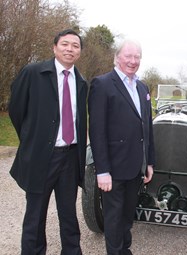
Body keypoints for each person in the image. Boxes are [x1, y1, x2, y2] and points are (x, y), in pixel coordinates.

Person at [8, 29, 87, 254]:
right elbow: (16, 110)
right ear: (54, 48)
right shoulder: (33, 73)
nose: (69, 49)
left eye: (75, 45)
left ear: (79, 52)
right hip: (42, 156)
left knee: (69, 215)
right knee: (35, 215)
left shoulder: (81, 82)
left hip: (70, 157)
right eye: (65, 44)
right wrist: (33, 138)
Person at [88, 39, 155, 255]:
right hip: (114, 168)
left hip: (135, 167)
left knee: (127, 216)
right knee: (114, 219)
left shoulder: (142, 87)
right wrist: (103, 171)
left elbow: (147, 128)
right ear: (117, 58)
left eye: (137, 57)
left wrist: (149, 162)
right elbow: (96, 131)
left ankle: (124, 250)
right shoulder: (102, 84)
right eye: (128, 56)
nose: (133, 61)